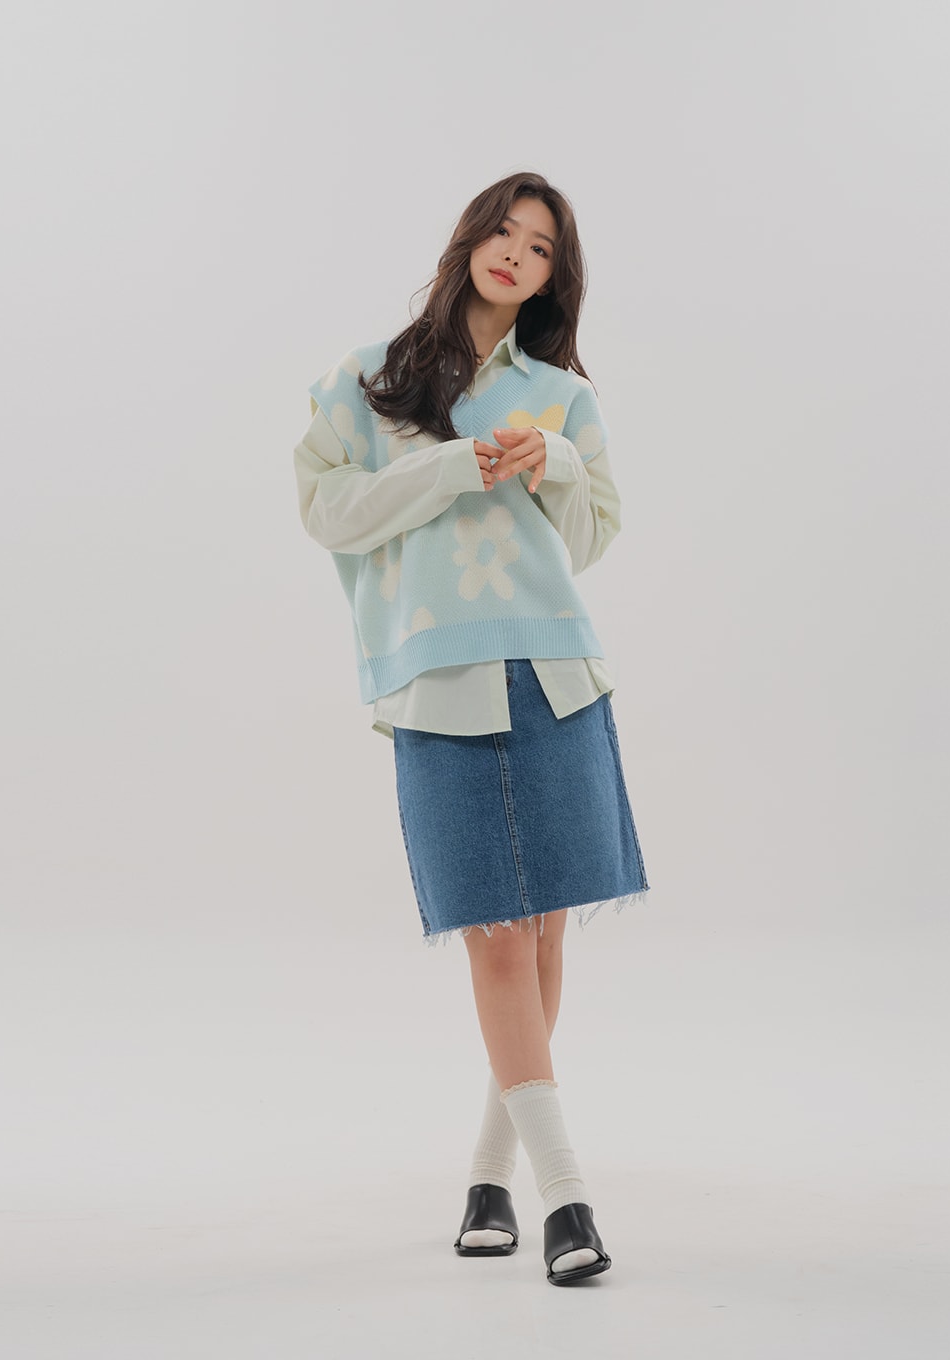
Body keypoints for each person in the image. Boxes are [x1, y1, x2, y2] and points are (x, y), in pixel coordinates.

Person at [293, 171, 648, 1286]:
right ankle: (568, 1199)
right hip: (437, 678)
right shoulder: (369, 379)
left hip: (554, 672)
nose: (515, 253)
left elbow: (586, 544)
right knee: (494, 934)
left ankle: (491, 1175)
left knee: (538, 937)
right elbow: (325, 511)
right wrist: (447, 467)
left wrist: (559, 463)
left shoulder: (561, 398)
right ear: (468, 239)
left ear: (552, 278)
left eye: (539, 247)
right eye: (503, 230)